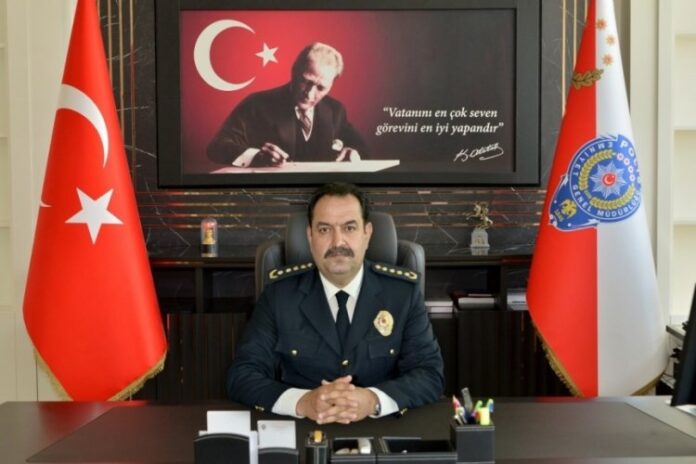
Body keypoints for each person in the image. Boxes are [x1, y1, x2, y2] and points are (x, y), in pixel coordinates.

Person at [227, 183, 444, 424]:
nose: (337, 242)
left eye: (349, 228)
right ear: (310, 236)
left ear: (367, 233)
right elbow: (242, 375)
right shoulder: (279, 295)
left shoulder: (402, 294)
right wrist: (302, 402)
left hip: (380, 429)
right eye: (324, 229)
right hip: (304, 429)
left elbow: (429, 374)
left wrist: (373, 400)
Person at [208, 43, 367, 167]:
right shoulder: (256, 104)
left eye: (321, 88)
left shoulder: (335, 110)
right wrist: (256, 156)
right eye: (306, 81)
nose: (309, 94)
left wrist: (353, 152)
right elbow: (217, 147)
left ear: (331, 85)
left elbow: (362, 148)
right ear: (294, 71)